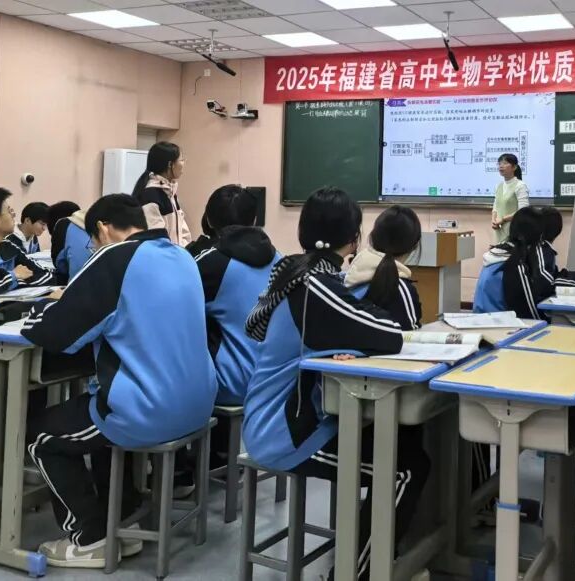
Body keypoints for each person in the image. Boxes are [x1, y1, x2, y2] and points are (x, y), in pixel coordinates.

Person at [243, 188, 429, 581]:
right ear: (354, 238)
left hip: (300, 418)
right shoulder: (317, 287)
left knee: (408, 445)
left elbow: (348, 329)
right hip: (286, 432)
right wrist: (358, 344)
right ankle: (355, 574)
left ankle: (376, 557)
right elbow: (389, 334)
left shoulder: (302, 275)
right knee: (405, 470)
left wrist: (353, 346)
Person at [22, 194, 216, 568]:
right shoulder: (181, 257)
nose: (92, 250)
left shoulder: (115, 258)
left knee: (41, 435)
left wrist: (34, 310)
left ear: (103, 229)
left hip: (150, 410)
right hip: (198, 402)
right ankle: (123, 521)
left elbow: (57, 333)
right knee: (97, 420)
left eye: (91, 243)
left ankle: (89, 538)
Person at [196, 185, 279, 406]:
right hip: (275, 382)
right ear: (254, 220)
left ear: (209, 220)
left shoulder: (209, 264)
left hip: (231, 385)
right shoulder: (281, 261)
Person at [344, 205, 422, 330]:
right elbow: (409, 336)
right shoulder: (401, 288)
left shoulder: (349, 275)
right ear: (415, 245)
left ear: (372, 237)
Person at [132, 142, 191, 247]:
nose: (184, 163)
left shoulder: (170, 192)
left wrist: (185, 251)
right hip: (164, 255)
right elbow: (156, 239)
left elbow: (183, 232)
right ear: (170, 164)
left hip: (175, 253)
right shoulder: (150, 196)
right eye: (181, 160)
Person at [491, 153, 529, 244]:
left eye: (505, 163)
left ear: (514, 167)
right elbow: (495, 207)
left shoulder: (520, 185)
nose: (501, 166)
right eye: (499, 163)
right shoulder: (499, 186)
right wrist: (493, 220)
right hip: (499, 230)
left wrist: (503, 219)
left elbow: (523, 211)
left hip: (514, 231)